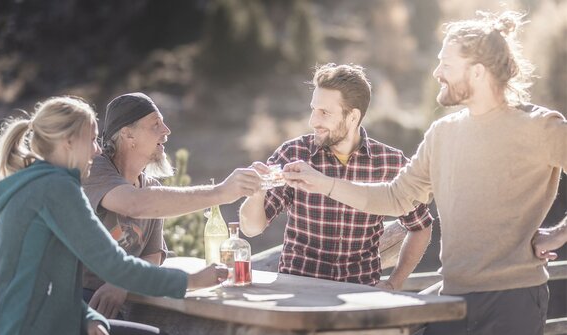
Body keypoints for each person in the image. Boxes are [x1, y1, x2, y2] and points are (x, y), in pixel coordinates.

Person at [281, 11, 566, 335]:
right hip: (453, 296)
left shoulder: (540, 127)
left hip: (513, 299)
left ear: (475, 72)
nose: (436, 72)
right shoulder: (442, 134)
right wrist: (324, 184)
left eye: (445, 64)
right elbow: (394, 197)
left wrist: (558, 233)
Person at [0, 96, 228, 335]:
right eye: (91, 140)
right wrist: (192, 281)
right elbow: (115, 266)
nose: (97, 149)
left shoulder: (42, 185)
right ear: (69, 142)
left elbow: (56, 283)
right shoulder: (56, 188)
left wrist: (89, 318)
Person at [239, 63, 434, 290]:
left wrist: (394, 283)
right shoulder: (293, 154)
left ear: (353, 117)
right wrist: (256, 193)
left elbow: (421, 226)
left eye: (324, 112)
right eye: (313, 109)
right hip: (298, 290)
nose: (313, 121)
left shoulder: (390, 162)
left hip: (359, 294)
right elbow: (251, 228)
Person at [81, 92, 261, 319]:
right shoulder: (95, 169)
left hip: (127, 303)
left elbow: (152, 256)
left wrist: (122, 282)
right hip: (82, 302)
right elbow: (133, 204)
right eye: (156, 124)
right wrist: (221, 193)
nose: (166, 131)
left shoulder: (151, 189)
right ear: (128, 134)